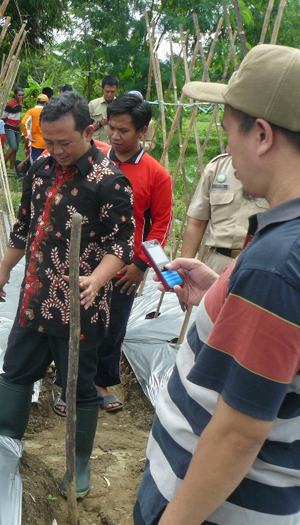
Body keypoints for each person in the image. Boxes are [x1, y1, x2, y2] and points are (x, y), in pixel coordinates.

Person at [134, 44, 300, 525]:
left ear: (263, 135)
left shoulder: (278, 263)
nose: (226, 151)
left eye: (229, 133)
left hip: (214, 509)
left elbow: (237, 434)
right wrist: (218, 296)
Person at [0, 91, 134, 499]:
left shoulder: (109, 181)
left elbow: (122, 245)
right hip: (35, 298)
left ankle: (79, 461)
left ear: (89, 131)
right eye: (48, 142)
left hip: (80, 306)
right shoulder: (39, 171)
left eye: (63, 142)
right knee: (16, 372)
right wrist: (4, 271)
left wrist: (97, 279)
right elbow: (24, 227)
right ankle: (4, 447)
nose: (55, 151)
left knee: (78, 387)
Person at [93, 94, 172, 412]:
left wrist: (141, 265)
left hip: (125, 267)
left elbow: (161, 224)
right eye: (111, 128)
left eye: (123, 130)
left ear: (142, 131)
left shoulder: (156, 175)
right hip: (87, 258)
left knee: (113, 324)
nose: (114, 136)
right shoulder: (94, 159)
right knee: (79, 321)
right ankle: (71, 383)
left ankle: (100, 383)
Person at [181, 153, 268, 274]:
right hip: (217, 264)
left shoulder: (284, 170)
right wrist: (184, 270)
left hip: (262, 266)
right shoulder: (218, 167)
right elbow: (196, 223)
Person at [89, 75, 118, 144]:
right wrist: (99, 123)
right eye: (107, 91)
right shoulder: (92, 105)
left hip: (114, 147)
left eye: (112, 92)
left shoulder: (120, 105)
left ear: (117, 89)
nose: (109, 94)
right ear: (102, 88)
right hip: (96, 146)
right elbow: (84, 130)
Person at [20, 93, 48, 164]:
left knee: (34, 164)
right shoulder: (48, 112)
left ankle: (34, 175)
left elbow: (23, 123)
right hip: (47, 143)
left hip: (35, 142)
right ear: (46, 102)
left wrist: (27, 136)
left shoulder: (31, 111)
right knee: (45, 163)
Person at [1, 87, 24, 170]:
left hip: (16, 128)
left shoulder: (20, 104)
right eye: (19, 95)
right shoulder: (10, 105)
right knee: (13, 147)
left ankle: (12, 168)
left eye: (22, 95)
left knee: (15, 150)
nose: (21, 97)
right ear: (15, 95)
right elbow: (3, 117)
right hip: (9, 127)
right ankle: (2, 164)